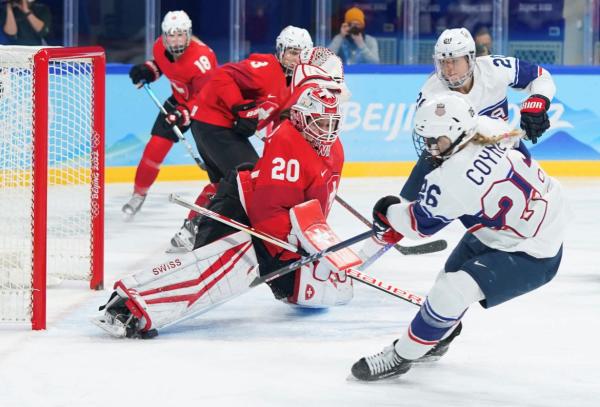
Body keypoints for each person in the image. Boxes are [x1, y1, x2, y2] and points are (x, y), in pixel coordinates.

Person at [93, 86, 358, 339]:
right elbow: (268, 208)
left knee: (299, 286)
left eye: (332, 123)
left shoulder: (333, 148)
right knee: (207, 274)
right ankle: (127, 307)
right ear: (301, 118)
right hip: (238, 213)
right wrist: (286, 251)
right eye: (321, 123)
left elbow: (312, 208)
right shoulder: (287, 141)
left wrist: (306, 245)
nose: (328, 131)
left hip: (270, 226)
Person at [350, 93, 567, 381]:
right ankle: (440, 334)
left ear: (455, 133)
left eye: (434, 139)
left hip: (533, 252)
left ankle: (400, 357)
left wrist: (387, 210)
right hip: (523, 222)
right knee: (448, 277)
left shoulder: (453, 180)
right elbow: (520, 151)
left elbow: (417, 227)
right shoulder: (490, 126)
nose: (428, 146)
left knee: (451, 290)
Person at [169, 25, 313, 250]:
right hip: (212, 123)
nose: (296, 59)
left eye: (302, 54)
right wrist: (240, 107)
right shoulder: (266, 67)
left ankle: (189, 232)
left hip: (215, 128)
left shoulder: (293, 85)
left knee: (224, 184)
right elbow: (222, 75)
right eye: (293, 52)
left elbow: (278, 120)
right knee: (251, 178)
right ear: (281, 50)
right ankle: (202, 230)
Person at [402, 27, 556, 203]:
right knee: (424, 168)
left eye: (454, 61)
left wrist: (537, 103)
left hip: (503, 151)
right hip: (459, 160)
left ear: (470, 59)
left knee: (536, 199)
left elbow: (540, 77)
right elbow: (433, 145)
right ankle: (397, 217)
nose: (448, 69)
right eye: (443, 62)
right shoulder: (431, 95)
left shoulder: (494, 68)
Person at [121, 10, 218, 220]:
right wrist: (148, 70)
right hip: (178, 102)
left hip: (208, 111)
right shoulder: (159, 46)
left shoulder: (203, 59)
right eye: (170, 35)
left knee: (215, 161)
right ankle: (139, 194)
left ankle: (220, 202)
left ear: (189, 35)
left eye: (180, 34)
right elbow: (164, 66)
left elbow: (206, 97)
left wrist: (183, 113)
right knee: (153, 149)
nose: (174, 40)